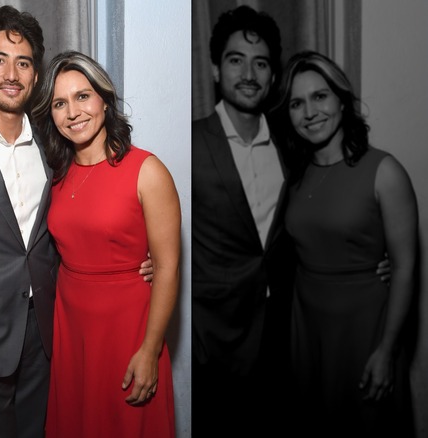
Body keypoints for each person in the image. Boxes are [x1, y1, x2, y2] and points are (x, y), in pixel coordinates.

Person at [0, 6, 153, 437]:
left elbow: (83, 216)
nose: (11, 73)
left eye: (24, 62)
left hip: (49, 337)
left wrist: (139, 257)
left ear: (35, 76)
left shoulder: (55, 146)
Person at [31, 50, 180, 437]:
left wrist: (150, 350)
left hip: (128, 331)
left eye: (83, 96)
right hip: (73, 333)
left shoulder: (147, 170)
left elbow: (167, 268)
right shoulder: (57, 176)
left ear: (104, 99)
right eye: (60, 103)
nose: (73, 112)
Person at [270, 50, 417, 437]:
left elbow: (404, 269)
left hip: (364, 330)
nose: (310, 112)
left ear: (341, 99)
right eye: (297, 103)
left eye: (320, 96)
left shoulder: (385, 171)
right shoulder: (297, 178)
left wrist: (387, 350)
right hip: (307, 330)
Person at [191, 6, 296, 437]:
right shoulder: (190, 142)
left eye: (261, 62)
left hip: (284, 333)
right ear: (216, 68)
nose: (249, 73)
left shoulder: (294, 144)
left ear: (273, 76)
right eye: (236, 60)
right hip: (211, 339)